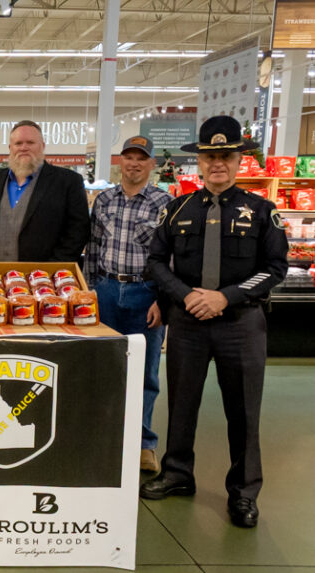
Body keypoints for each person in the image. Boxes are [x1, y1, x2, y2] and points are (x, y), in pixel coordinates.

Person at [140, 116, 289, 529]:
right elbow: (155, 261)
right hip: (187, 322)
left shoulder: (262, 211)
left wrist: (227, 296)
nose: (217, 163)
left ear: (239, 159)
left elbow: (276, 268)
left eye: (225, 155)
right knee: (182, 403)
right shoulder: (177, 209)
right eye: (209, 156)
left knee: (243, 410)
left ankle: (243, 492)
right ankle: (177, 473)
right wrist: (185, 295)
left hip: (241, 324)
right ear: (199, 162)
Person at [84, 135, 172, 474]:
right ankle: (103, 435)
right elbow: (93, 248)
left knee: (145, 371)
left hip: (145, 295)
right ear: (120, 161)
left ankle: (143, 444)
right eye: (128, 157)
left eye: (141, 158)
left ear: (152, 164)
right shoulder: (104, 200)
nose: (134, 163)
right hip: (105, 290)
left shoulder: (165, 203)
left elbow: (171, 258)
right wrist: (89, 291)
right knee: (104, 368)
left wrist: (163, 300)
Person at [0, 120, 89, 262]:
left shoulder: (68, 182)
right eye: (18, 143)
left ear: (42, 146)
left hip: (44, 279)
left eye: (30, 143)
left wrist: (51, 271)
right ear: (10, 148)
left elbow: (78, 231)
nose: (24, 148)